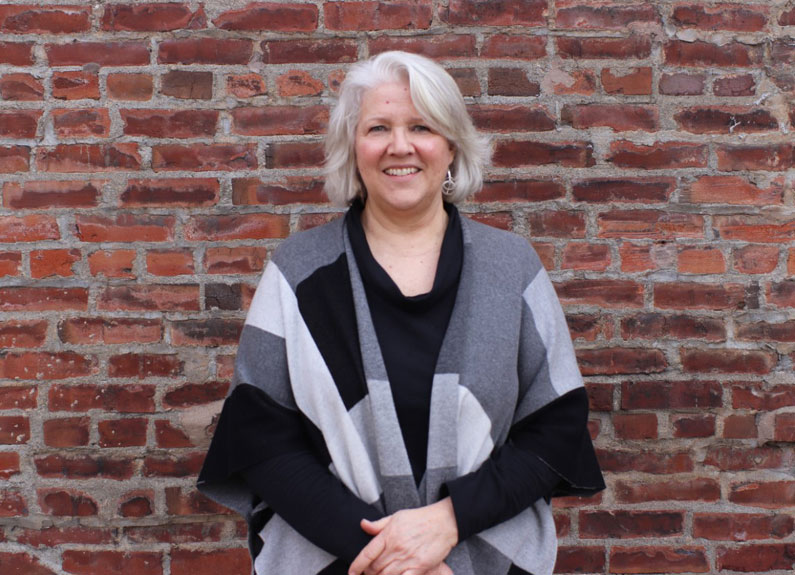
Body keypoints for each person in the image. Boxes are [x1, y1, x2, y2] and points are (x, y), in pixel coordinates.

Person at [197, 51, 605, 575]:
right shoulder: (299, 272)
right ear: (353, 145)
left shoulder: (511, 268)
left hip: (481, 557)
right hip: (333, 560)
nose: (400, 146)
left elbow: (555, 428)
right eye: (378, 128)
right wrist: (388, 558)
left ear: (452, 144)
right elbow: (261, 438)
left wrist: (449, 522)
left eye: (422, 127)